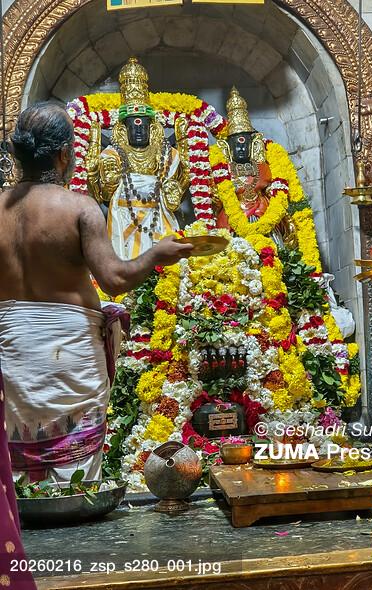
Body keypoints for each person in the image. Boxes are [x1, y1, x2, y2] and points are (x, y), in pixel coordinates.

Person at [0, 101, 193, 586]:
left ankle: (24, 559)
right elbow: (115, 279)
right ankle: (79, 569)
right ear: (64, 155)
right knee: (74, 463)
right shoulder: (79, 207)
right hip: (68, 352)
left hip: (11, 347)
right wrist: (157, 252)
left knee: (18, 453)